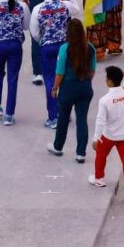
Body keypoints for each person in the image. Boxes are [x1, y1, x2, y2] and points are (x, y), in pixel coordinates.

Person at [30, 0, 80, 128]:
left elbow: (34, 32)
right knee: (65, 79)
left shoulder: (38, 9)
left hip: (47, 47)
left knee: (50, 81)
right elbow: (77, 9)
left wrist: (43, 41)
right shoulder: (64, 6)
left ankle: (53, 117)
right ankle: (65, 113)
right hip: (64, 47)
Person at [87, 66, 124, 204]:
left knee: (101, 155)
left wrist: (96, 138)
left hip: (109, 135)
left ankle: (99, 179)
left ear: (109, 81)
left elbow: (100, 121)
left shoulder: (105, 100)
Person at [48, 18, 96, 162]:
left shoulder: (65, 49)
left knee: (63, 117)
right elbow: (93, 70)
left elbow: (60, 72)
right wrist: (85, 82)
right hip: (85, 87)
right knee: (82, 119)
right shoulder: (90, 48)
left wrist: (55, 87)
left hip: (68, 87)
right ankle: (81, 153)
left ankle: (58, 146)